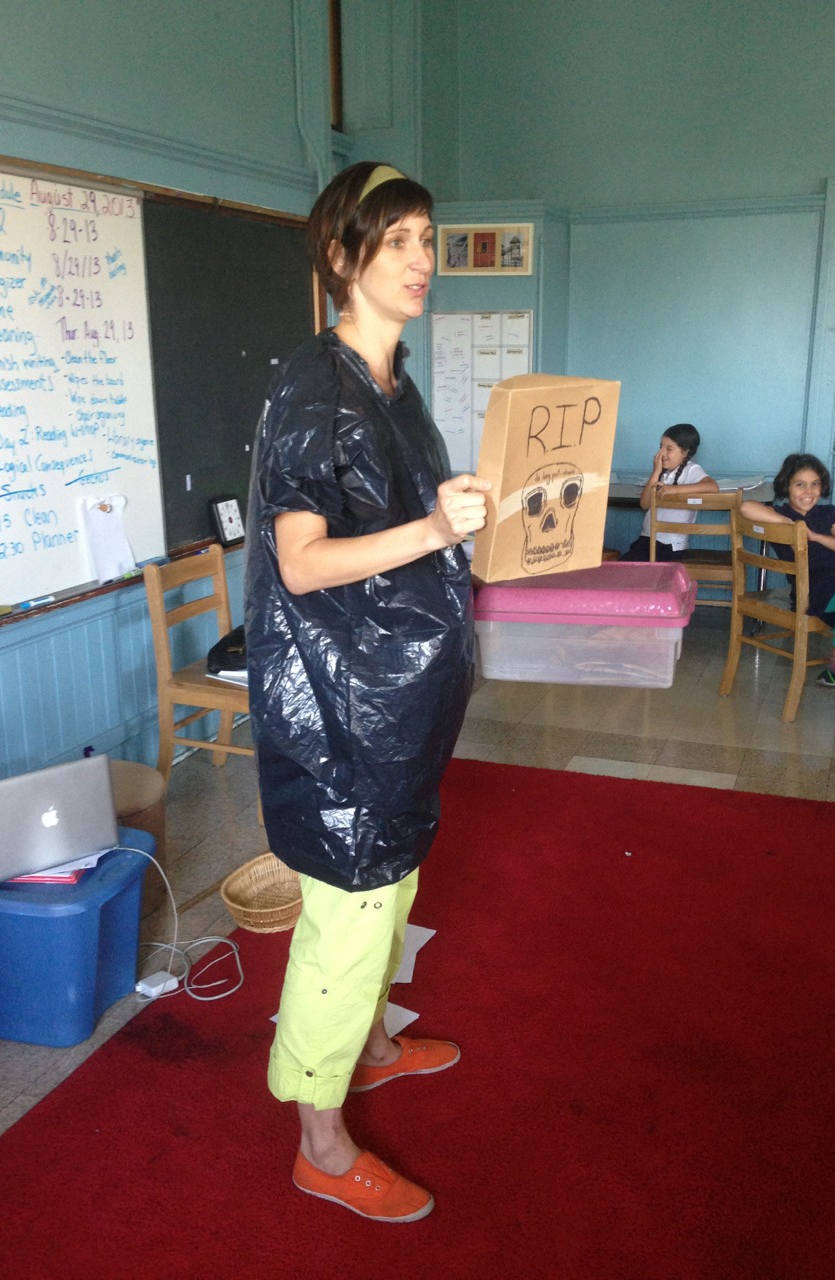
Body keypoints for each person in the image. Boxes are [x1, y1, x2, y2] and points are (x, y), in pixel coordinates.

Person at [243, 161, 491, 1223]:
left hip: (401, 699)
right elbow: (302, 562)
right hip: (342, 709)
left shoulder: (392, 381)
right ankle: (320, 1142)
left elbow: (396, 520)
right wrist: (436, 527)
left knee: (395, 886)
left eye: (427, 237)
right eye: (397, 241)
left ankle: (376, 1044)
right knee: (348, 920)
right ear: (344, 256)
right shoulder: (317, 385)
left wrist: (457, 514)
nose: (422, 259)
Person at [741, 453, 835, 732]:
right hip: (816, 592)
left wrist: (817, 536)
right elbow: (746, 507)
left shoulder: (827, 513)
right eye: (800, 484)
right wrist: (794, 527)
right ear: (787, 487)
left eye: (815, 484)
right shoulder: (779, 515)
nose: (808, 492)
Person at [620, 423, 719, 561]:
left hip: (669, 546)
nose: (662, 453)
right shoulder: (663, 474)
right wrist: (656, 472)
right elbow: (644, 504)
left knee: (632, 570)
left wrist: (674, 489)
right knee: (622, 568)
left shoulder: (691, 469)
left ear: (685, 452)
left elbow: (712, 487)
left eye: (669, 448)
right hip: (646, 540)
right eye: (661, 447)